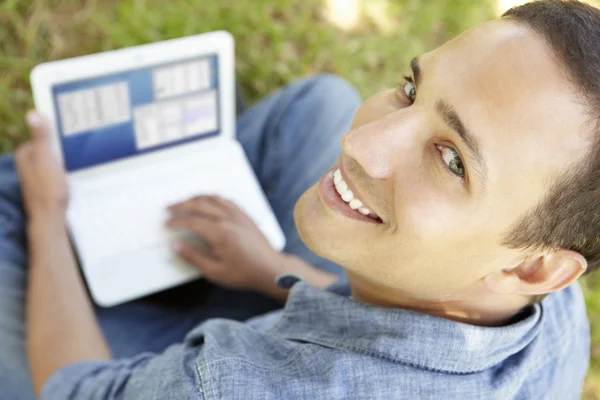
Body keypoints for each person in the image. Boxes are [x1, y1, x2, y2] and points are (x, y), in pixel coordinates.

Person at [1, 0, 597, 398]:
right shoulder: (554, 299)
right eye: (412, 90)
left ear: (532, 267)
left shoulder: (225, 382)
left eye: (451, 160)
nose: (360, 142)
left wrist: (49, 213)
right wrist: (271, 271)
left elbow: (73, 388)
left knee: (12, 198)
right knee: (317, 105)